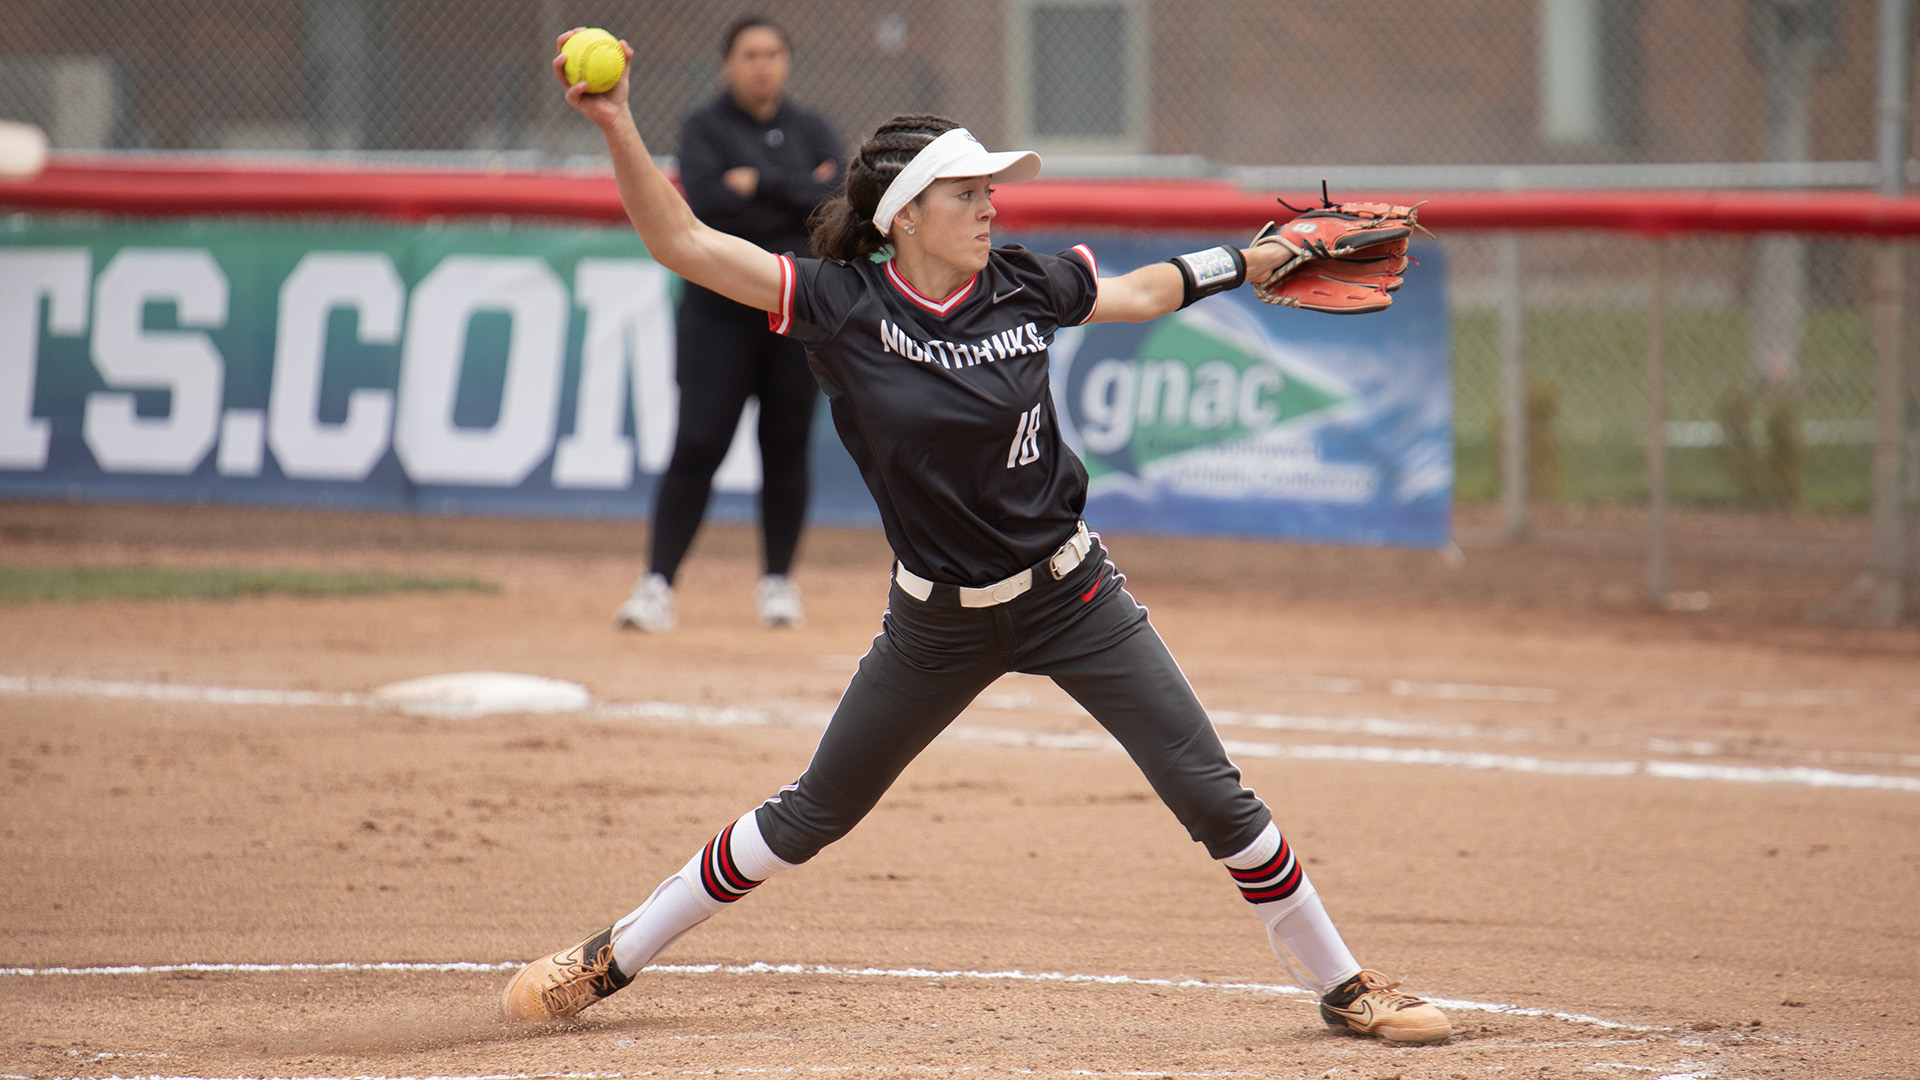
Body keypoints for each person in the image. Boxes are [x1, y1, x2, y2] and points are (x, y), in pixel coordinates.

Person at [509, 29, 1453, 1046]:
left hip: (1072, 596)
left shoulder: (1025, 285)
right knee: (808, 816)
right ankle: (612, 955)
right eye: (967, 192)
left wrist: (1257, 258)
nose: (992, 204)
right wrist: (616, 123)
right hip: (935, 624)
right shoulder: (842, 305)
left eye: (991, 189)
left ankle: (1346, 985)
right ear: (905, 215)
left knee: (1213, 796)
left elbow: (1144, 291)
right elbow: (684, 245)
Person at [613, 16, 845, 633]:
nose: (762, 64)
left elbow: (838, 203)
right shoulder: (705, 128)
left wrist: (760, 183)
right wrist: (795, 191)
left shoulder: (812, 127)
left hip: (795, 313)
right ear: (727, 64)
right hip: (718, 314)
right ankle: (656, 584)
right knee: (698, 442)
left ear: (786, 61)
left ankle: (777, 584)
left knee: (786, 446)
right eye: (749, 54)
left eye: (773, 52)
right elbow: (709, 207)